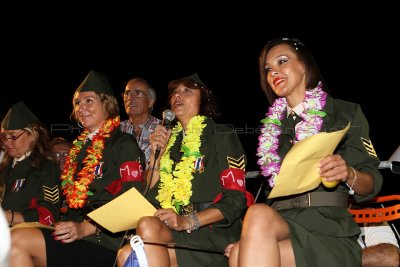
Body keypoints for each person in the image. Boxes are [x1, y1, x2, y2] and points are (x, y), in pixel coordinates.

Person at [227, 37, 383, 267]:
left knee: (243, 249)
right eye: (268, 69)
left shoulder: (344, 112)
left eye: (282, 61)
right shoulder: (272, 128)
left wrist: (349, 174)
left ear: (304, 65)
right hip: (280, 222)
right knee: (244, 242)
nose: (274, 73)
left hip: (326, 227)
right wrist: (251, 236)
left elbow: (372, 184)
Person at [9, 70, 146, 267]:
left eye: (89, 101)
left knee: (19, 239)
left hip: (106, 239)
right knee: (10, 237)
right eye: (77, 103)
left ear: (106, 104)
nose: (81, 108)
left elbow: (135, 201)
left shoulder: (123, 143)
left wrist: (87, 228)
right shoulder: (78, 149)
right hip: (73, 230)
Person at [117, 73, 253, 267]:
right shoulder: (171, 143)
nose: (177, 96)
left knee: (142, 237)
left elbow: (236, 200)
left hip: (211, 232)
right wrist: (157, 157)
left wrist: (188, 221)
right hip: (171, 230)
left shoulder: (221, 134)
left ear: (203, 99)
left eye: (187, 91)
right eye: (174, 93)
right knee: (125, 253)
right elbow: (150, 197)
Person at [0, 101, 61, 226]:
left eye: (13, 136)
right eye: (4, 137)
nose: (7, 142)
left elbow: (49, 213)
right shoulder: (4, 167)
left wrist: (10, 217)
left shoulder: (45, 167)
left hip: (24, 235)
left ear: (33, 135)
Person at [120, 77, 161, 164]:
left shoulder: (162, 130)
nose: (130, 98)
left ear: (150, 102)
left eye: (138, 93)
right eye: (127, 93)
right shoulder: (116, 129)